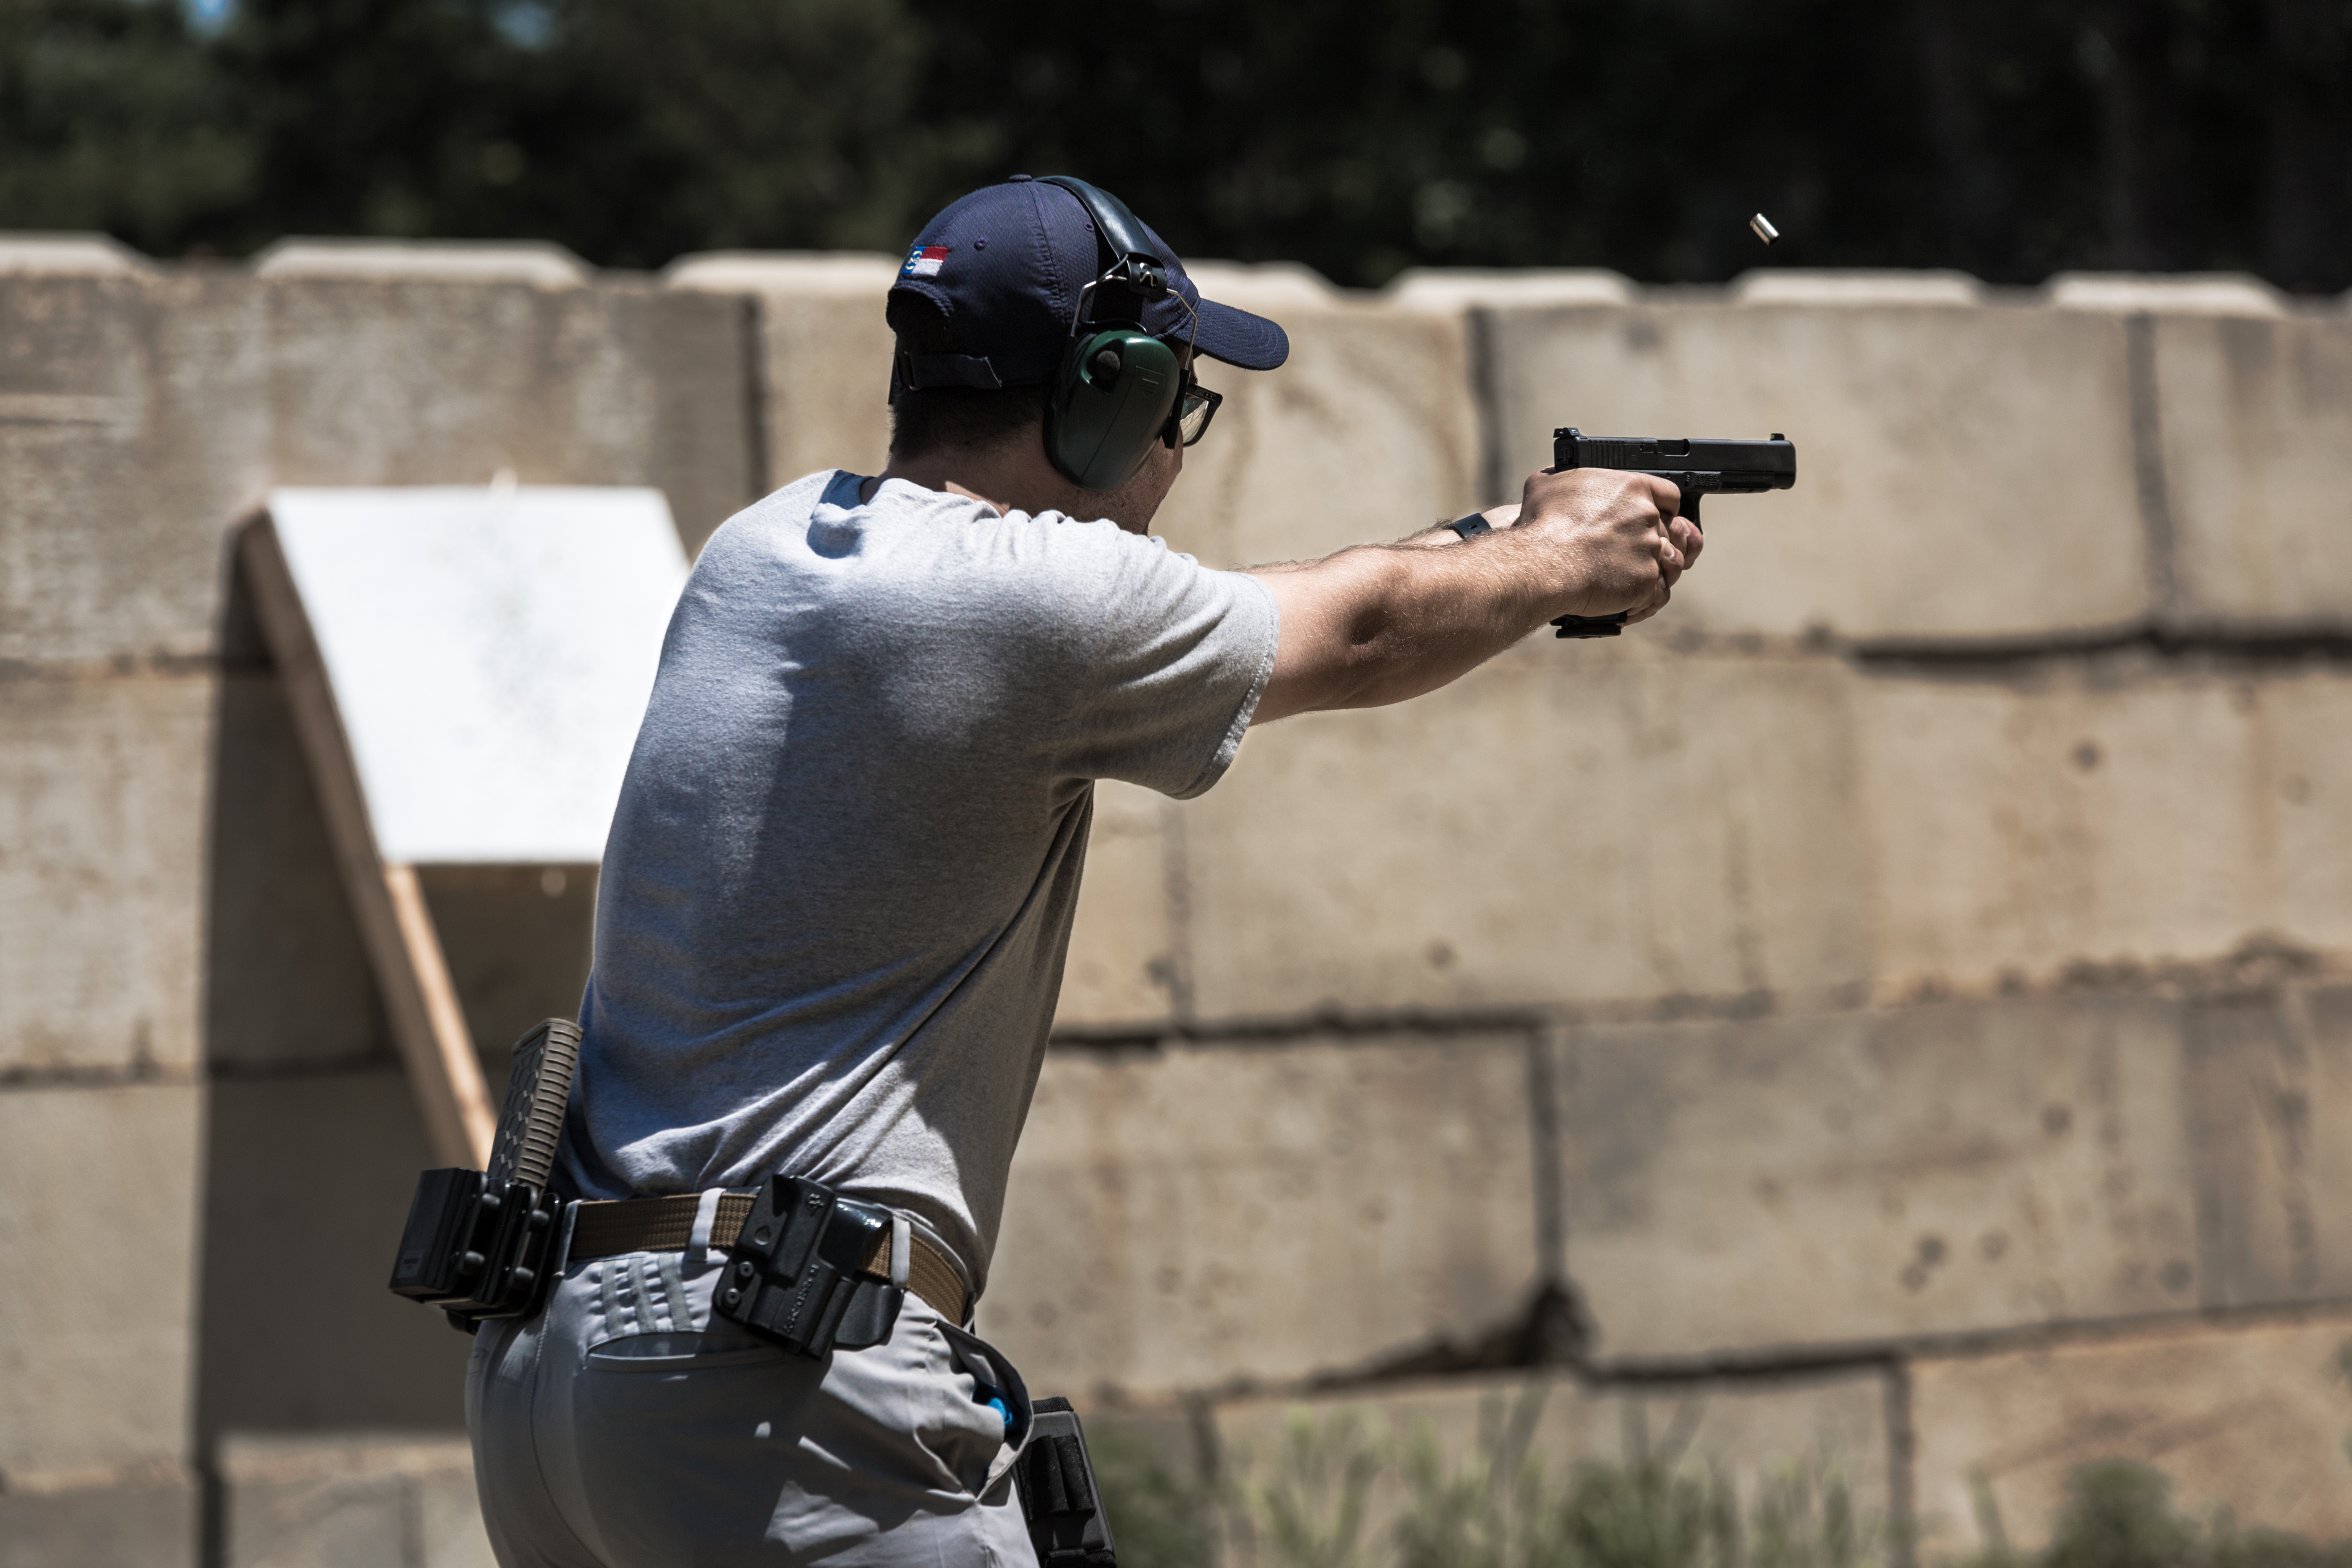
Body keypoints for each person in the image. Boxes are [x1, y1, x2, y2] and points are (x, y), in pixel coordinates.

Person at [465, 175, 1700, 1568]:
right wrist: (1558, 562)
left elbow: (1311, 599)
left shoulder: (764, 550)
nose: (1176, 446)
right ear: (1101, 393)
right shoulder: (1029, 601)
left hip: (562, 1369)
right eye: (1172, 401)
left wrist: (1515, 535)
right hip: (768, 1381)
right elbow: (1354, 635)